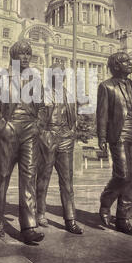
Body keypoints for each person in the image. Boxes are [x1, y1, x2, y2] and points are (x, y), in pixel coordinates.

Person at [0, 40, 45, 244]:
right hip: (9, 127)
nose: (26, 57)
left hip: (30, 129)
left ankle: (29, 226)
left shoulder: (34, 77)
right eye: (22, 53)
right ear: (13, 56)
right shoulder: (1, 77)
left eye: (28, 53)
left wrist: (38, 124)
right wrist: (1, 126)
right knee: (3, 175)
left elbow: (42, 106)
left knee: (29, 176)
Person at [97, 52, 132, 237]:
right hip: (118, 134)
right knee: (123, 174)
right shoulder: (106, 86)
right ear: (115, 65)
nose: (131, 63)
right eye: (126, 61)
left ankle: (123, 219)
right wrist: (102, 137)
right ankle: (106, 200)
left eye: (130, 61)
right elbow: (102, 114)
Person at [36, 63, 83, 234]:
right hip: (48, 137)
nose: (60, 76)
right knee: (43, 179)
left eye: (62, 74)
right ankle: (39, 212)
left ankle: (70, 219)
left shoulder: (68, 94)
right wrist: (43, 136)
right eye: (56, 73)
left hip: (65, 139)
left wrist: (71, 133)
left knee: (67, 182)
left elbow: (73, 118)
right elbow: (37, 118)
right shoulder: (42, 92)